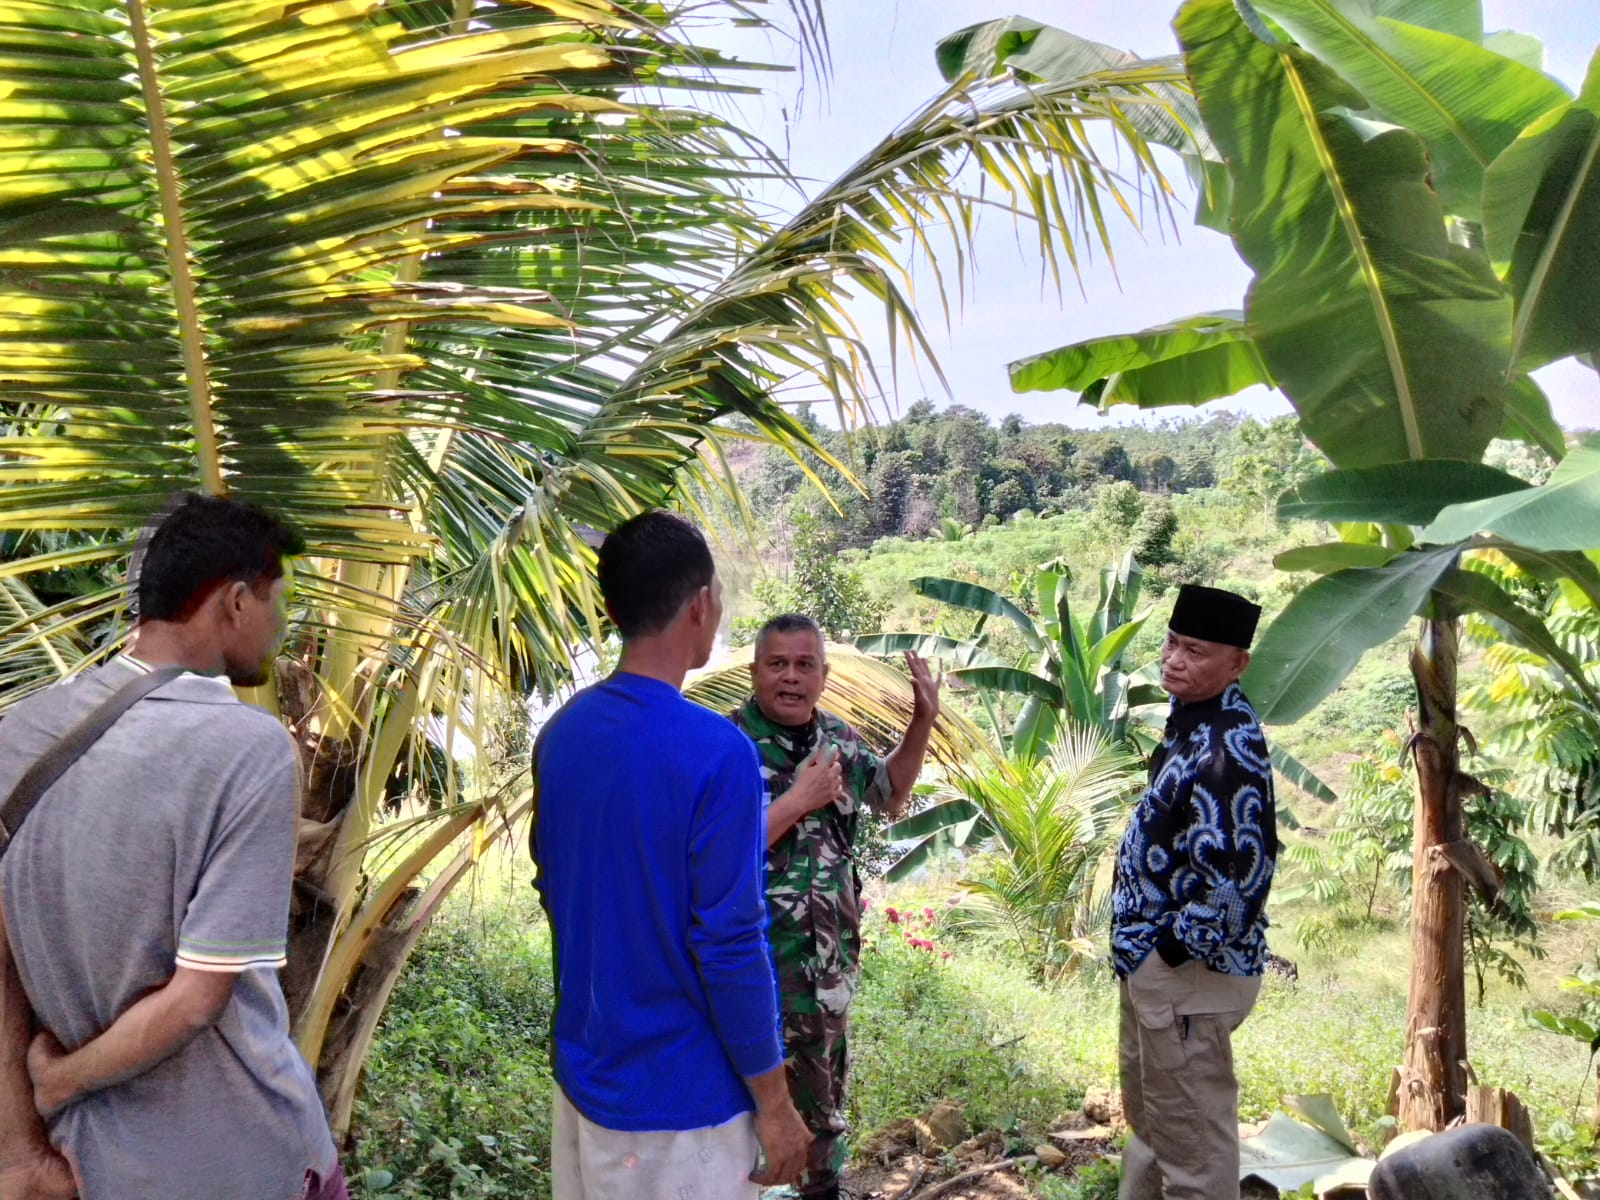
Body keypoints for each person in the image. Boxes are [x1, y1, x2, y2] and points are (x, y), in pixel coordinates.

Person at [0, 493, 344, 1200]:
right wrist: (58, 1079)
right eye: (280, 600)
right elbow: (195, 1001)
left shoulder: (18, 734)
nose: (282, 625)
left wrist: (17, 1149)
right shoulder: (247, 748)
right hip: (238, 1156)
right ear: (236, 601)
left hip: (87, 1163)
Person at [530, 511, 810, 1200]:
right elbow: (731, 944)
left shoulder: (562, 734)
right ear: (701, 605)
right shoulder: (719, 752)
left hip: (586, 1083)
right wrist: (775, 1106)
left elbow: (553, 886)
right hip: (685, 1113)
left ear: (613, 607)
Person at [729, 615, 941, 1200]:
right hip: (751, 965)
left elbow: (892, 792)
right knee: (740, 1105)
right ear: (755, 671)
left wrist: (923, 720)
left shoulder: (840, 742)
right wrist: (799, 800)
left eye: (805, 665)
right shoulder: (725, 747)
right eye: (777, 664)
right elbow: (709, 856)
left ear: (823, 674)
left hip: (826, 965)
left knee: (823, 1101)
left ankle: (821, 1188)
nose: (791, 677)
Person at [1110, 583, 1278, 1200]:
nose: (1174, 660)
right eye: (1173, 644)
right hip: (1157, 972)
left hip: (1186, 980)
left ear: (1237, 664)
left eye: (1196, 651)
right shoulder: (1192, 723)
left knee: (1194, 1153)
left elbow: (1240, 883)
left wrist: (1168, 957)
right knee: (1157, 1129)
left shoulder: (1224, 750)